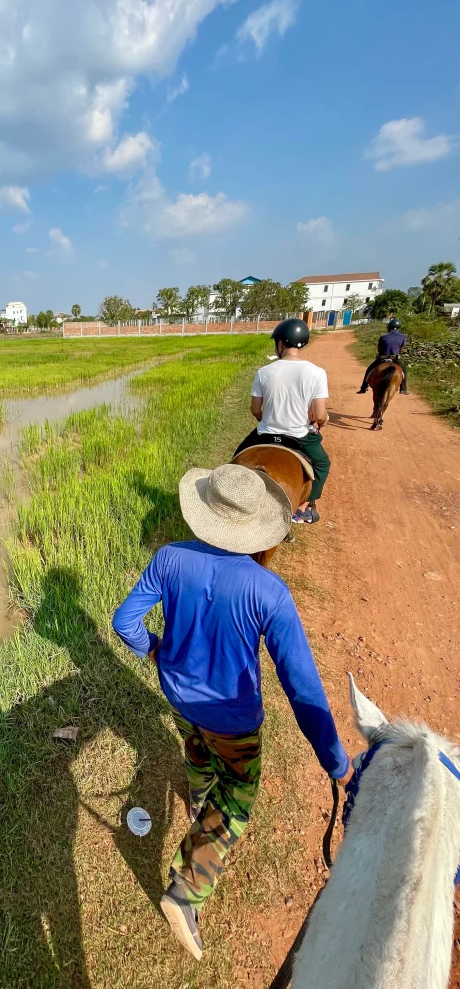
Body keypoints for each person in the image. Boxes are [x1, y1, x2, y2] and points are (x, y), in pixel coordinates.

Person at [112, 464, 351, 962]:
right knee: (238, 798)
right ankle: (186, 890)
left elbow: (123, 621)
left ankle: (199, 798)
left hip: (177, 695)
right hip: (235, 720)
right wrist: (336, 762)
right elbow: (303, 689)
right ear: (257, 525)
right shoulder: (268, 592)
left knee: (195, 746)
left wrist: (153, 648)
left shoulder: (169, 558)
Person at [232, 318, 329, 525]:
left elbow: (255, 409)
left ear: (282, 343)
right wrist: (319, 421)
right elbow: (320, 416)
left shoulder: (264, 372)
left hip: (265, 433)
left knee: (235, 459)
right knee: (322, 464)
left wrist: (263, 419)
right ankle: (305, 507)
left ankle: (229, 498)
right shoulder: (317, 373)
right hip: (299, 436)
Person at [357, 317, 409, 395]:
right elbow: (400, 349)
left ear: (389, 327)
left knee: (369, 370)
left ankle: (363, 387)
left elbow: (379, 348)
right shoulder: (402, 337)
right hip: (395, 359)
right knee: (404, 370)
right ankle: (403, 389)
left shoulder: (383, 337)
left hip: (382, 358)